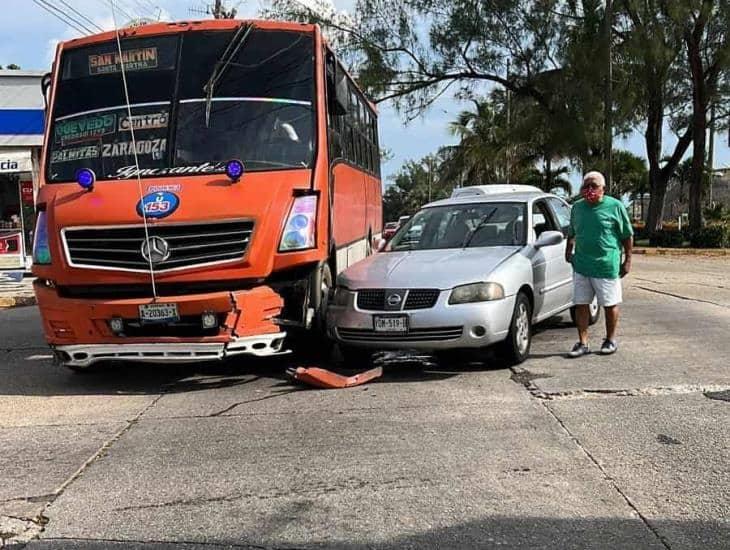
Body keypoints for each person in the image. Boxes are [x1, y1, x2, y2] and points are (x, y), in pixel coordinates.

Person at [565, 171, 633, 357]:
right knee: (581, 303)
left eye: (593, 186)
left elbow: (627, 235)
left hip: (606, 265)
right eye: (585, 186)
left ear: (603, 188)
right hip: (582, 265)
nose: (589, 190)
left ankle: (610, 339)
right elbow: (572, 232)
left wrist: (627, 260)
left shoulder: (615, 206)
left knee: (610, 304)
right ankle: (582, 342)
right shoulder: (577, 208)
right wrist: (568, 250)